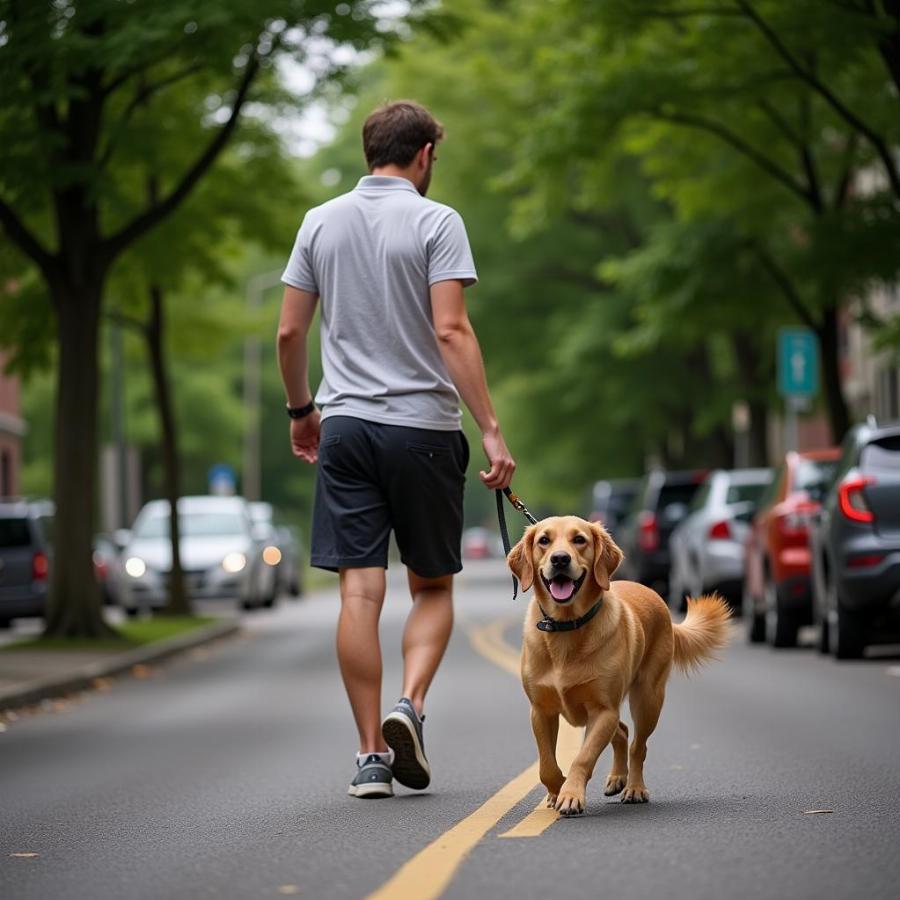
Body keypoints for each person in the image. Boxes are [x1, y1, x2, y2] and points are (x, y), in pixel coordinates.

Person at [276, 100, 515, 799]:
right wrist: (492, 427)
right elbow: (452, 331)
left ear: (368, 151)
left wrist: (301, 411)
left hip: (344, 426)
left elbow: (290, 335)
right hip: (425, 431)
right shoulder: (437, 221)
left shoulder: (319, 222)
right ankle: (408, 704)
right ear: (425, 156)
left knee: (359, 588)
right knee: (432, 585)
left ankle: (369, 758)